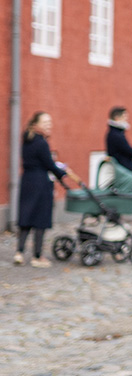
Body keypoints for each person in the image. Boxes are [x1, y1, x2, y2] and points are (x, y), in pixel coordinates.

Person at [14, 112, 79, 267]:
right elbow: (49, 164)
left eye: (49, 122)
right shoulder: (41, 142)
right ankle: (37, 257)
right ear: (36, 124)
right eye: (45, 122)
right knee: (40, 219)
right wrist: (63, 173)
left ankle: (19, 252)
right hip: (40, 183)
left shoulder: (27, 139)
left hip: (27, 181)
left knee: (26, 217)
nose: (49, 125)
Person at [105, 106, 132, 191]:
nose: (127, 119)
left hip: (120, 174)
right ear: (117, 118)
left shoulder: (113, 133)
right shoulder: (117, 135)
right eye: (125, 117)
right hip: (124, 174)